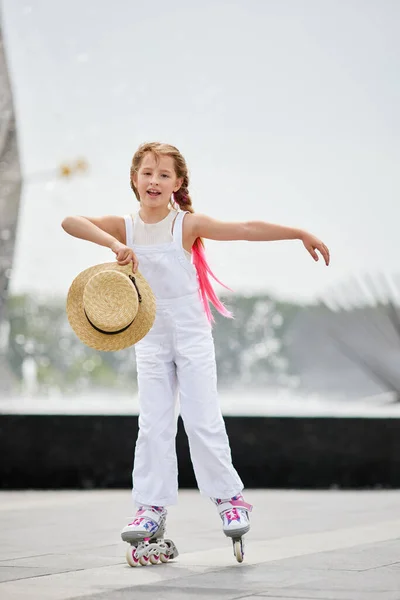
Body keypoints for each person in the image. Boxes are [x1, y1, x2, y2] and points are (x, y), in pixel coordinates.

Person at [62, 142, 330, 560]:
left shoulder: (185, 225)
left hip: (190, 339)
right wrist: (113, 245)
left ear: (178, 184)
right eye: (147, 172)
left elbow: (244, 228)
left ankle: (229, 499)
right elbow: (70, 220)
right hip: (148, 341)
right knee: (153, 424)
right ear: (134, 178)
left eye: (164, 175)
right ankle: (149, 507)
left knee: (202, 418)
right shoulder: (124, 227)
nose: (154, 181)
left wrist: (298, 233)